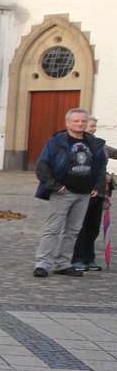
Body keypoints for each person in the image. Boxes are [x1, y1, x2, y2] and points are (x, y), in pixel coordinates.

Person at [34, 107, 106, 278]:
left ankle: (63, 263)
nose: (80, 124)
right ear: (67, 123)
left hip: (84, 193)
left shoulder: (93, 143)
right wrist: (54, 186)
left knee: (73, 231)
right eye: (76, 121)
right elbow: (42, 165)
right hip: (63, 192)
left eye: (83, 121)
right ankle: (43, 264)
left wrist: (98, 186)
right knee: (53, 229)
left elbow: (100, 167)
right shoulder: (56, 142)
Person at [70, 116, 114, 273]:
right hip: (84, 191)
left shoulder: (100, 145)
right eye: (91, 126)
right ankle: (77, 258)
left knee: (93, 228)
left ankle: (89, 258)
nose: (93, 128)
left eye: (94, 126)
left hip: (100, 191)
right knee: (80, 227)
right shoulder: (77, 145)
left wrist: (108, 178)